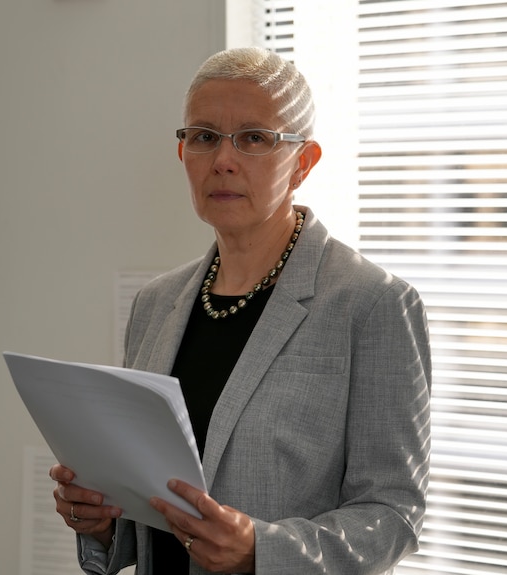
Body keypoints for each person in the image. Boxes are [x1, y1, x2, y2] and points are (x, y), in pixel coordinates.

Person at [50, 46, 432, 575]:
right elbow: (157, 504)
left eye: (254, 138)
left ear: (303, 162)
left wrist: (262, 551)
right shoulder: (156, 303)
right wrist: (104, 520)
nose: (223, 159)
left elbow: (393, 514)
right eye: (204, 136)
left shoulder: (373, 304)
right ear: (183, 153)